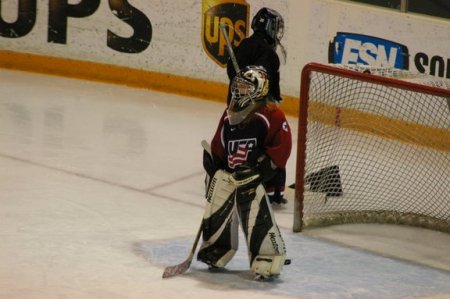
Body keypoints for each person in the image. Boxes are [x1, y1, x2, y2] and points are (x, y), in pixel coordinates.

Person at [198, 65, 292, 279]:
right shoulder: (230, 112)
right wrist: (214, 162)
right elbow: (220, 142)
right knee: (219, 186)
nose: (238, 90)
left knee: (253, 204)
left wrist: (259, 167)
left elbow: (282, 149)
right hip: (233, 175)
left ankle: (267, 256)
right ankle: (216, 249)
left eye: (245, 87)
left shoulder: (272, 114)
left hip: (259, 180)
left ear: (259, 89)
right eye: (237, 86)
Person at [226, 7, 288, 205]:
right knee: (274, 138)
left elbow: (232, 73)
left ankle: (229, 167)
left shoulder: (242, 45)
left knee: (235, 141)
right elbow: (268, 90)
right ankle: (272, 188)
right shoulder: (269, 55)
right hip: (258, 113)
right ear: (270, 29)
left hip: (234, 109)